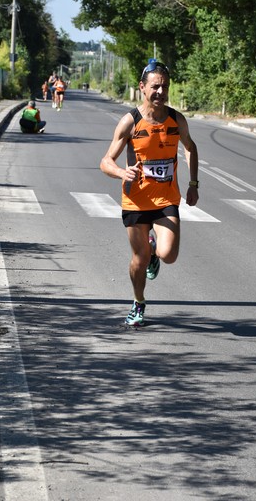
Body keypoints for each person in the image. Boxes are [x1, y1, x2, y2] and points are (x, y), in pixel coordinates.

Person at [100, 59, 199, 326]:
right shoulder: (130, 122)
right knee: (139, 259)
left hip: (166, 199)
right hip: (135, 201)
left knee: (169, 255)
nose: (160, 92)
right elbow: (105, 161)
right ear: (142, 87)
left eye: (164, 87)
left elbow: (190, 147)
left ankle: (156, 252)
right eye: (155, 86)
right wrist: (122, 173)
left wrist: (193, 184)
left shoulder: (176, 119)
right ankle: (138, 302)